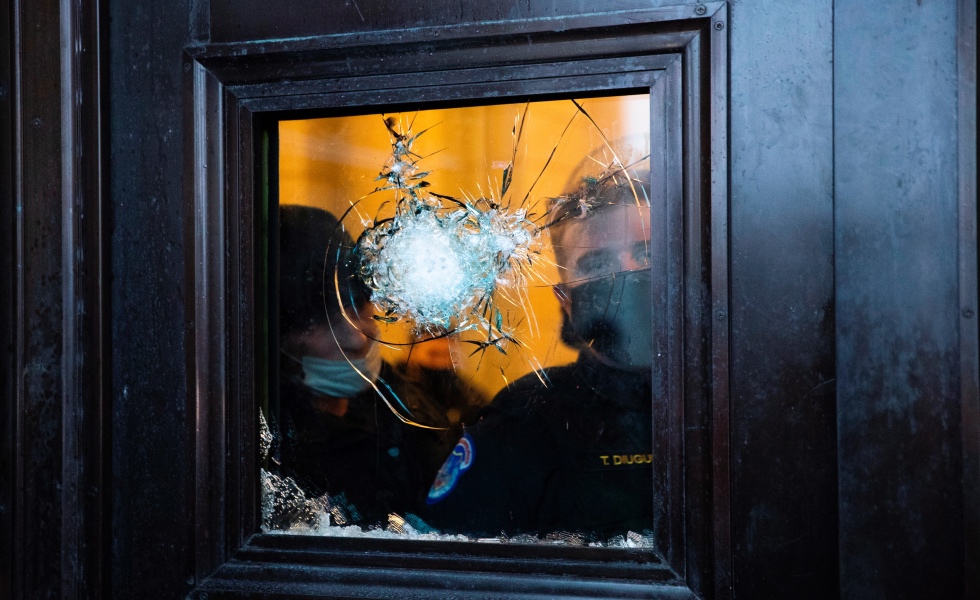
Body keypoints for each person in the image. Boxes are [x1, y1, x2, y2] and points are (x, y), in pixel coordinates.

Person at [423, 171, 654, 540]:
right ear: (565, 299)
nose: (626, 273)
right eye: (596, 264)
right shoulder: (524, 420)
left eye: (647, 252)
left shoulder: (746, 402)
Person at [270, 204, 470, 529]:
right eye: (321, 319)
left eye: (359, 302)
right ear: (276, 331)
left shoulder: (409, 416)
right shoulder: (264, 445)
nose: (358, 334)